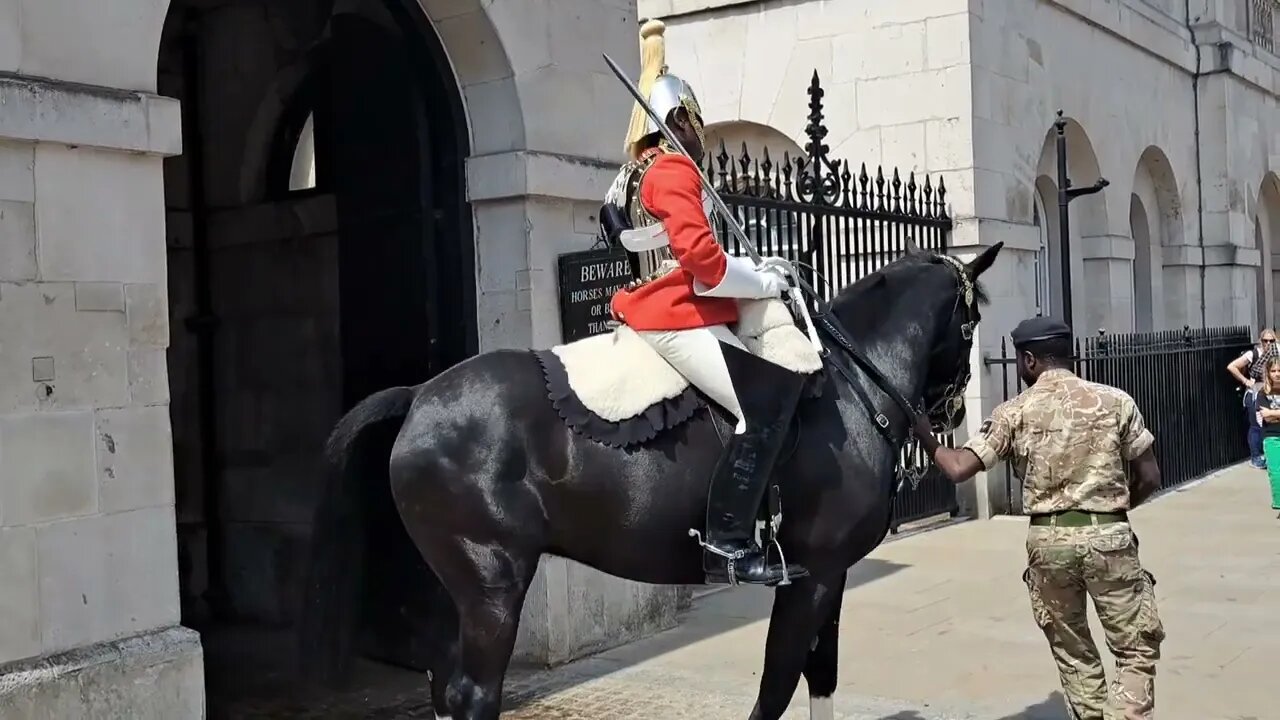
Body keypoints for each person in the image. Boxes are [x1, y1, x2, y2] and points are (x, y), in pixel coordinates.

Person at [601, 19, 808, 586]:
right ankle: (729, 544)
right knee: (760, 407)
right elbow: (704, 265)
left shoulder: (632, 174)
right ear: (678, 121)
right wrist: (767, 282)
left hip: (671, 305)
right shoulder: (671, 169)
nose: (700, 134)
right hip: (675, 313)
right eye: (694, 123)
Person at [912, 316, 1165, 720]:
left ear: (1029, 360)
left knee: (1073, 651)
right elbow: (1150, 476)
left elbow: (958, 467)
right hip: (1110, 537)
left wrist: (923, 431)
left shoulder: (1014, 412)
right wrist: (1110, 512)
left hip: (1048, 544)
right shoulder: (1116, 400)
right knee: (1135, 649)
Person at [1226, 328, 1278, 469]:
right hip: (1256, 392)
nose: (1268, 343)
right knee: (1256, 425)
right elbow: (1232, 366)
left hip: (1273, 392)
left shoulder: (1277, 354)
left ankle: (1268, 455)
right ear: (1261, 341)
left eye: (1271, 340)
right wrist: (1246, 381)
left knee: (1270, 425)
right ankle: (1256, 457)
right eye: (1265, 340)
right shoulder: (1253, 354)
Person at [1254, 358, 1280, 511]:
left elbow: (1270, 414)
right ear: (1268, 373)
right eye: (1273, 371)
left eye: (1279, 371)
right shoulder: (1263, 393)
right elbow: (1266, 417)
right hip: (1271, 435)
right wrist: (1271, 414)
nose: (1277, 374)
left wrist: (1272, 412)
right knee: (1276, 472)